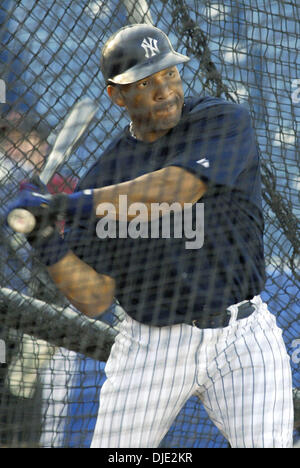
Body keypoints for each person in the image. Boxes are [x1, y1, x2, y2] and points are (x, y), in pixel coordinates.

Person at [6, 24, 294, 448]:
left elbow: (177, 191)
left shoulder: (220, 120)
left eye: (170, 75)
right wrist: (46, 239)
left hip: (243, 338)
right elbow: (94, 298)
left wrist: (66, 204)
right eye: (145, 82)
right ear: (117, 96)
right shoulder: (106, 175)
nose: (164, 90)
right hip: (151, 345)